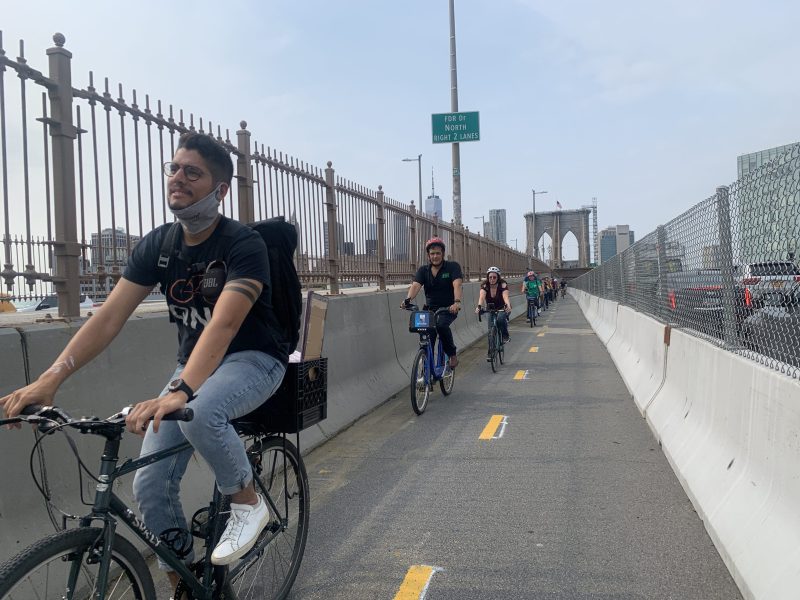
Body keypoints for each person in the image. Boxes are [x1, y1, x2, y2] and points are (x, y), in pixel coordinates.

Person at [0, 132, 289, 587]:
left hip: (254, 359)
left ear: (220, 189)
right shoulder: (160, 245)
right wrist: (50, 379)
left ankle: (247, 500)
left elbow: (225, 325)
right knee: (149, 486)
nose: (178, 178)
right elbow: (110, 317)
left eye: (193, 172)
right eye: (173, 168)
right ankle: (185, 584)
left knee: (202, 412)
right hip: (193, 367)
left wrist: (180, 392)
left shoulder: (242, 244)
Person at [401, 237, 463, 368]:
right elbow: (416, 286)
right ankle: (426, 369)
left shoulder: (452, 267)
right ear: (428, 255)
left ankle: (452, 354)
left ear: (443, 254)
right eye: (432, 253)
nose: (435, 256)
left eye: (438, 253)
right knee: (427, 335)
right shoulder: (423, 270)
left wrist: (456, 302)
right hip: (429, 310)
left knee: (441, 326)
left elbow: (457, 285)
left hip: (448, 309)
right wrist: (407, 300)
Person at [476, 266, 511, 343]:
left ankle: (505, 336)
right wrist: (479, 306)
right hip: (490, 308)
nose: (492, 279)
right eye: (490, 277)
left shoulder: (502, 284)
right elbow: (481, 297)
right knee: (490, 327)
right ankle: (491, 348)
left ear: (498, 277)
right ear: (487, 277)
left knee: (500, 319)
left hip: (502, 307)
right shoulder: (485, 285)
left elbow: (505, 297)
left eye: (494, 277)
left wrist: (508, 305)